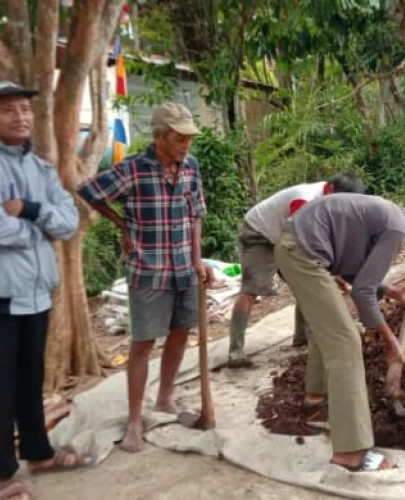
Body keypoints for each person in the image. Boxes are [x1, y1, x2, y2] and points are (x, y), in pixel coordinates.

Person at [275, 194, 405, 471]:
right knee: (346, 341)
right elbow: (362, 293)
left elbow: (355, 273)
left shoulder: (391, 219)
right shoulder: (396, 228)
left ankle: (316, 395)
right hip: (303, 254)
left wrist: (394, 293)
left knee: (331, 327)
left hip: (296, 248)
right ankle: (351, 453)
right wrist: (390, 340)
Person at [78, 102, 214, 453]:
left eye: (189, 138)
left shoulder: (191, 168)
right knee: (143, 343)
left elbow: (196, 213)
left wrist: (198, 259)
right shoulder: (133, 170)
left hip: (184, 266)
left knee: (181, 332)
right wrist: (124, 224)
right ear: (159, 137)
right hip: (148, 269)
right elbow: (89, 191)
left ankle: (165, 398)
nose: (186, 145)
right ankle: (135, 420)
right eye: (179, 138)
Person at [0, 81, 90, 500]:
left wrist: (30, 211)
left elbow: (68, 222)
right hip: (2, 294)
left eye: (24, 110)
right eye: (8, 111)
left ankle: (37, 451)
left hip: (35, 292)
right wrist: (37, 230)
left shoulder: (40, 169)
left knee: (29, 378)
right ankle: (3, 475)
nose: (20, 117)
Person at [228, 173, 366, 368]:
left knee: (306, 282)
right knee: (252, 289)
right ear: (332, 190)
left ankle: (301, 337)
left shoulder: (331, 201)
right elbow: (299, 237)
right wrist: (326, 271)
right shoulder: (305, 198)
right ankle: (235, 351)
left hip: (285, 237)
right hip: (260, 234)